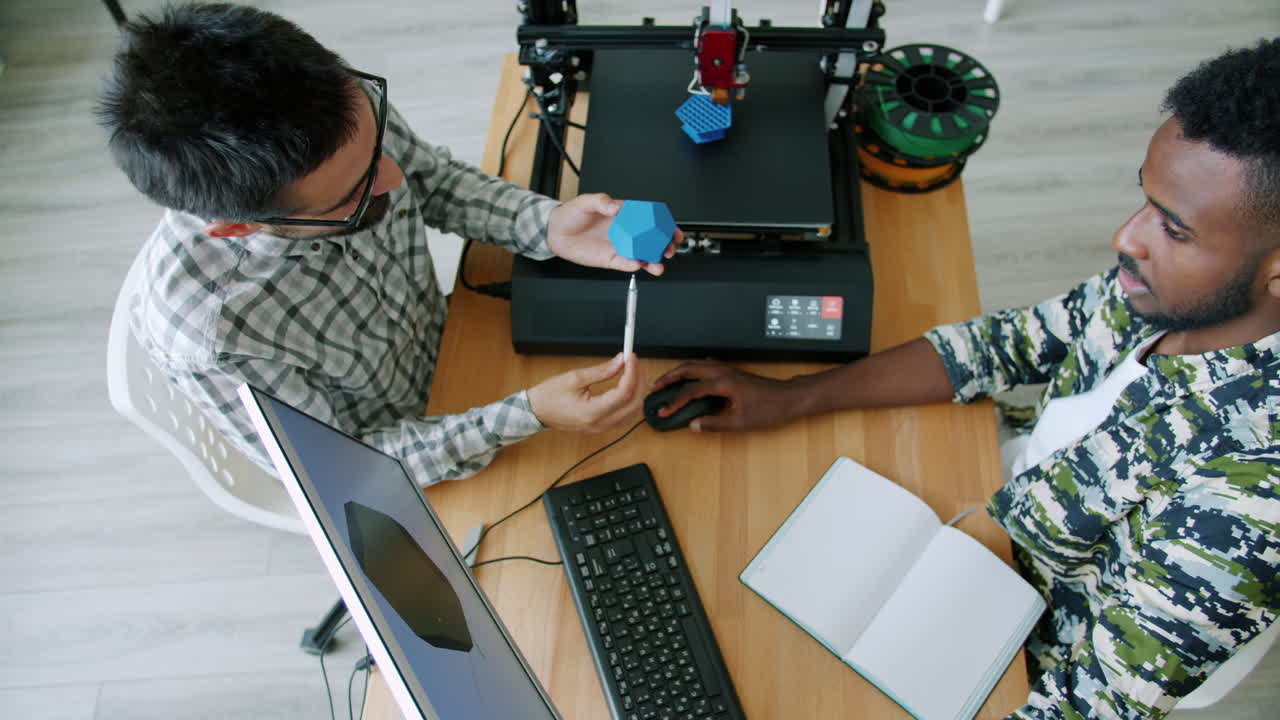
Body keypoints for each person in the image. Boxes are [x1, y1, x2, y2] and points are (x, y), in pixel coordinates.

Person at [652, 39, 1280, 717]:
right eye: (1145, 201)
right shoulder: (1165, 287)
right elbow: (1007, 344)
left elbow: (1088, 705)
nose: (1126, 237)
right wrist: (795, 395)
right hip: (1003, 516)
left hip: (1041, 638)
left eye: (1175, 229)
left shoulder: (1248, 501)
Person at [97, 3, 679, 486]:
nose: (398, 181)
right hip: (412, 443)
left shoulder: (336, 110)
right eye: (354, 195)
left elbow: (436, 180)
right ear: (239, 227)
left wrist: (546, 224)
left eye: (378, 150)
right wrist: (523, 416)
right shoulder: (215, 339)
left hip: (451, 343)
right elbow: (349, 469)